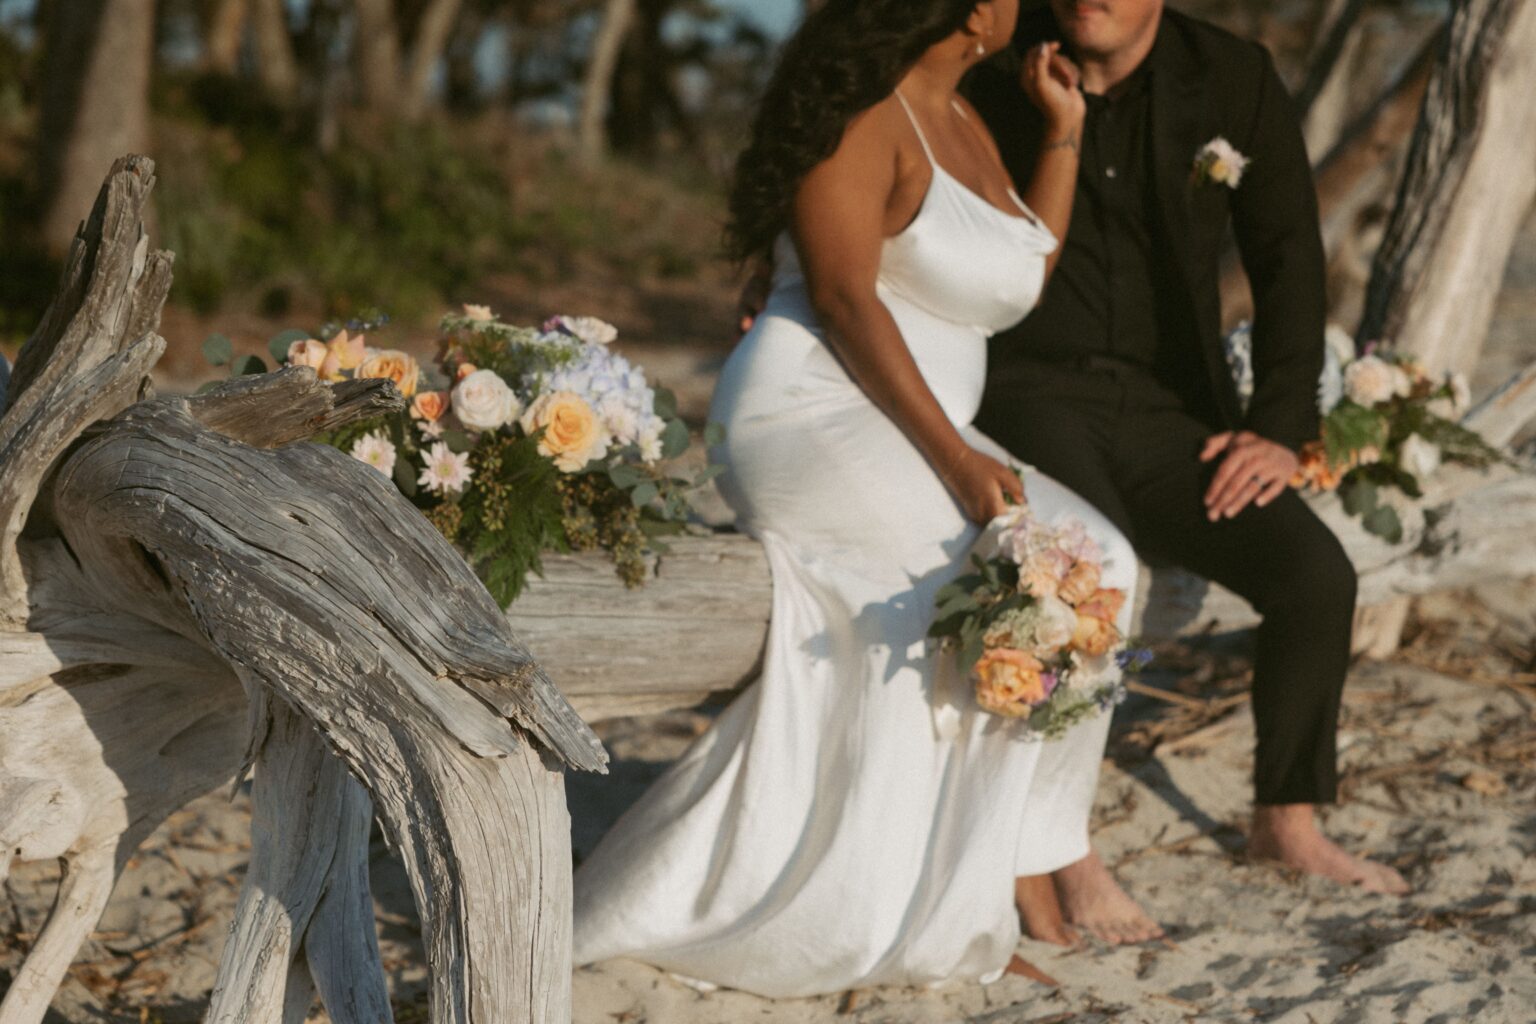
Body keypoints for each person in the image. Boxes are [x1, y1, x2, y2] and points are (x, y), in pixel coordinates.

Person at [572, 0, 1142, 996]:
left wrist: (1063, 132)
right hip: (813, 409)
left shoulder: (967, 117)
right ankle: (954, 908)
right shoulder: (864, 113)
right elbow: (839, 296)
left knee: (1106, 566)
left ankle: (1028, 851)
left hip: (921, 422)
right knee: (994, 582)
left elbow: (1023, 271)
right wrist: (960, 468)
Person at [965, 0, 1409, 896]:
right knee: (1092, 575)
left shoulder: (1231, 77)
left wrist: (1280, 430)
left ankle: (1286, 822)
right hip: (1028, 390)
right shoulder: (994, 66)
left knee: (1317, 577)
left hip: (1173, 407)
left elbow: (1288, 254)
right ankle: (1063, 847)